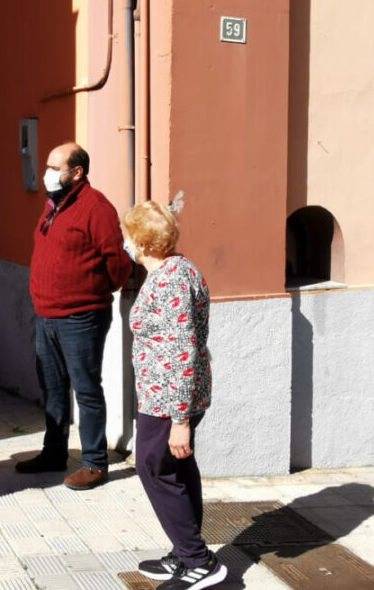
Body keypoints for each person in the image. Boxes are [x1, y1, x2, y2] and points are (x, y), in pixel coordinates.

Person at [121, 201, 227, 590]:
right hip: (166, 396)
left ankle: (199, 562)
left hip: (169, 401)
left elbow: (182, 351)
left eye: (128, 237)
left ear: (144, 244)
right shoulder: (178, 268)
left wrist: (180, 420)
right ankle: (185, 553)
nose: (125, 243)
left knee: (156, 468)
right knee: (178, 469)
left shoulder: (170, 281)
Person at [17, 142, 132, 490]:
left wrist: (98, 290)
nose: (48, 173)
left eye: (56, 167)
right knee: (52, 388)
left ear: (77, 172)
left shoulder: (95, 207)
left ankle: (95, 462)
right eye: (48, 166)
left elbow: (115, 260)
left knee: (85, 388)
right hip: (47, 315)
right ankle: (54, 452)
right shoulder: (54, 206)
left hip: (81, 316)